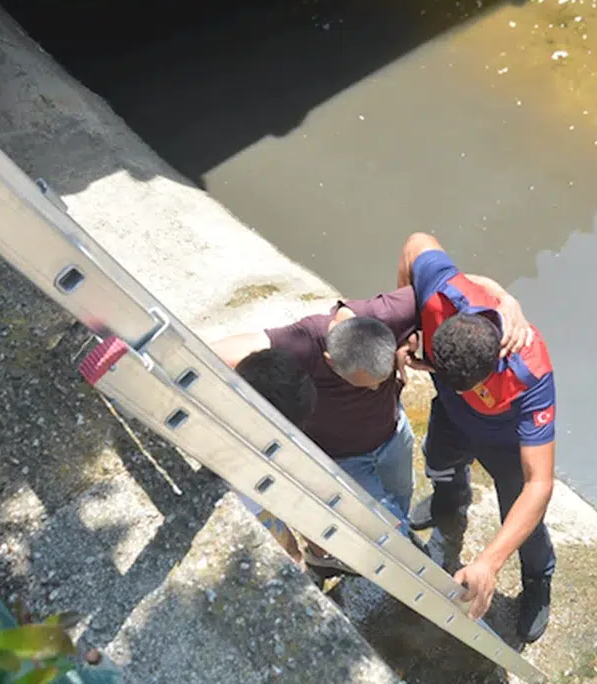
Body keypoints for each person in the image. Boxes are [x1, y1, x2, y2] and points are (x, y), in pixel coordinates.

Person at [398, 231, 556, 644]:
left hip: (504, 438)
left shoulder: (530, 371)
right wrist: (407, 323)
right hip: (452, 412)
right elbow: (417, 243)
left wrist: (489, 561)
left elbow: (540, 483)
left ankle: (539, 579)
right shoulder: (443, 296)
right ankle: (452, 503)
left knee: (520, 516)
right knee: (438, 461)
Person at [211, 290, 421, 573]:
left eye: (381, 381)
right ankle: (324, 556)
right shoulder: (302, 344)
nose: (375, 390)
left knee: (401, 495)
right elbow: (213, 355)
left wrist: (501, 302)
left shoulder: (389, 314)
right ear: (330, 361)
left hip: (393, 435)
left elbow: (425, 256)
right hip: (344, 460)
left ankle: (402, 528)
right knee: (385, 541)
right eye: (366, 384)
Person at [230, 347, 319, 567]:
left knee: (291, 547)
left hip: (270, 491)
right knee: (286, 553)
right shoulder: (229, 440)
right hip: (251, 503)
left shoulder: (250, 397)